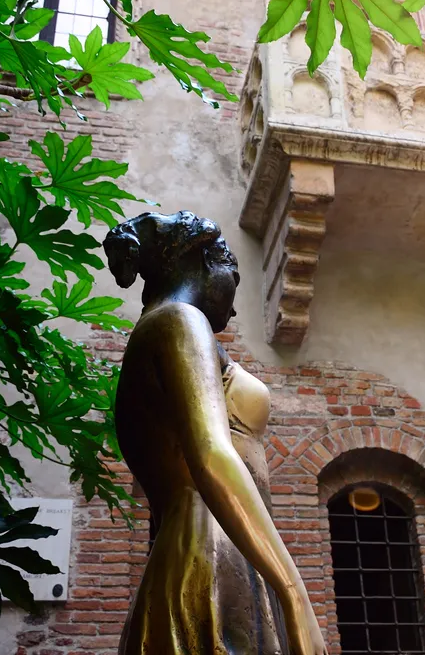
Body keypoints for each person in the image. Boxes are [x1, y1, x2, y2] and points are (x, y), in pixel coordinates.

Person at [103, 211, 326, 655]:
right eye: (234, 276)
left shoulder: (163, 326)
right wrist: (295, 594)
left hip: (225, 549)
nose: (236, 303)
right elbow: (211, 457)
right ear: (207, 260)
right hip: (210, 551)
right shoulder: (178, 321)